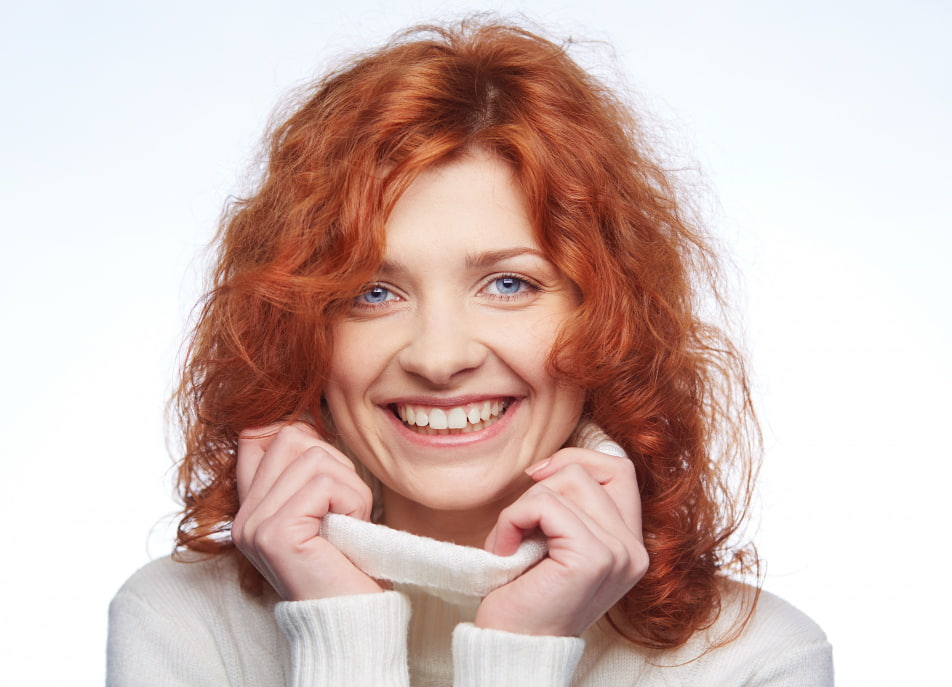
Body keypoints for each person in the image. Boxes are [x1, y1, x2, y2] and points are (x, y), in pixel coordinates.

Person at [107, 17, 833, 686]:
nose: (439, 354)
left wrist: (524, 647)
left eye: (509, 283)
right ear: (301, 328)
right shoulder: (182, 626)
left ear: (609, 319)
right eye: (372, 292)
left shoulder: (753, 662)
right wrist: (341, 630)